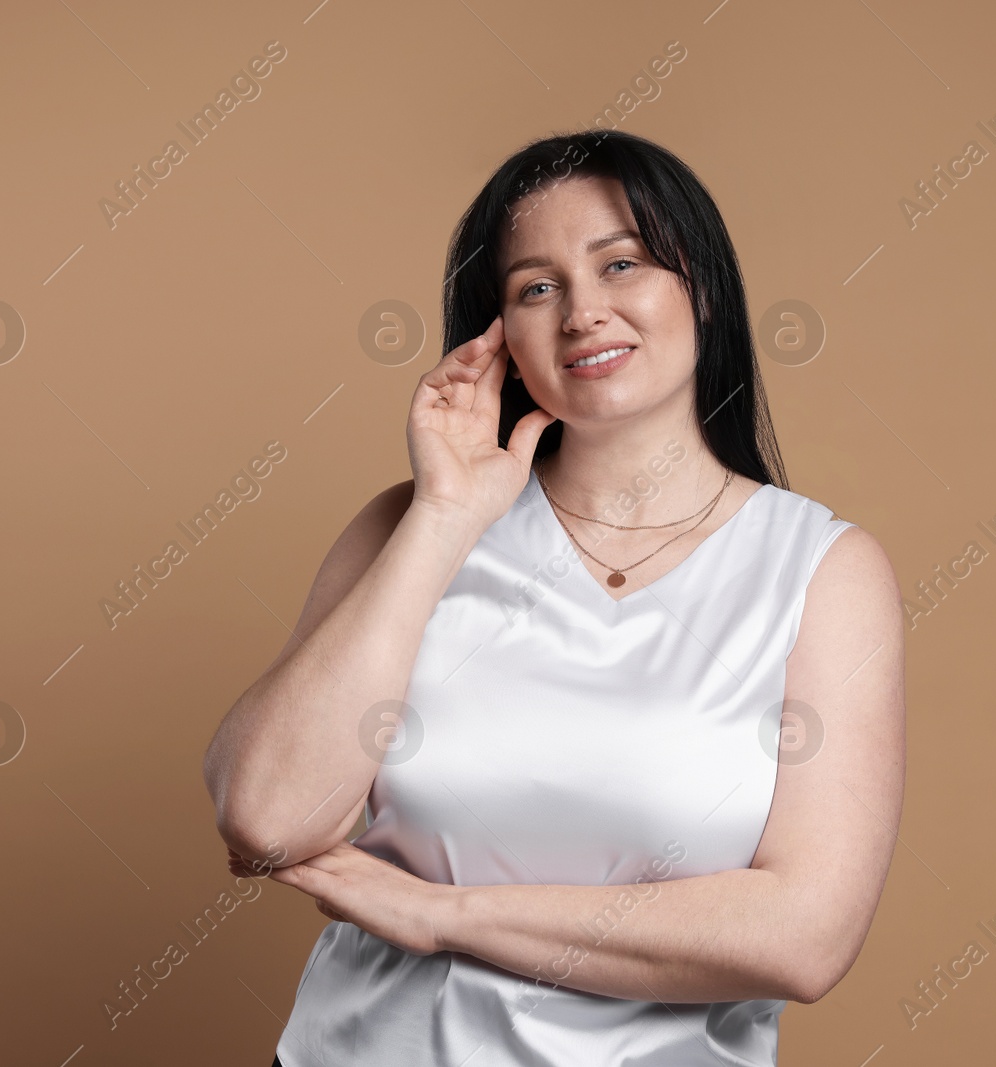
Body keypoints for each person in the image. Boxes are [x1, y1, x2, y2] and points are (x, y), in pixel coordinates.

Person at [202, 129, 906, 1067]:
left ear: (702, 290)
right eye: (536, 287)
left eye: (623, 264)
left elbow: (802, 935)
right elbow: (266, 815)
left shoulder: (823, 570)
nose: (583, 312)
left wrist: (444, 914)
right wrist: (448, 516)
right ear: (494, 337)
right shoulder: (409, 528)